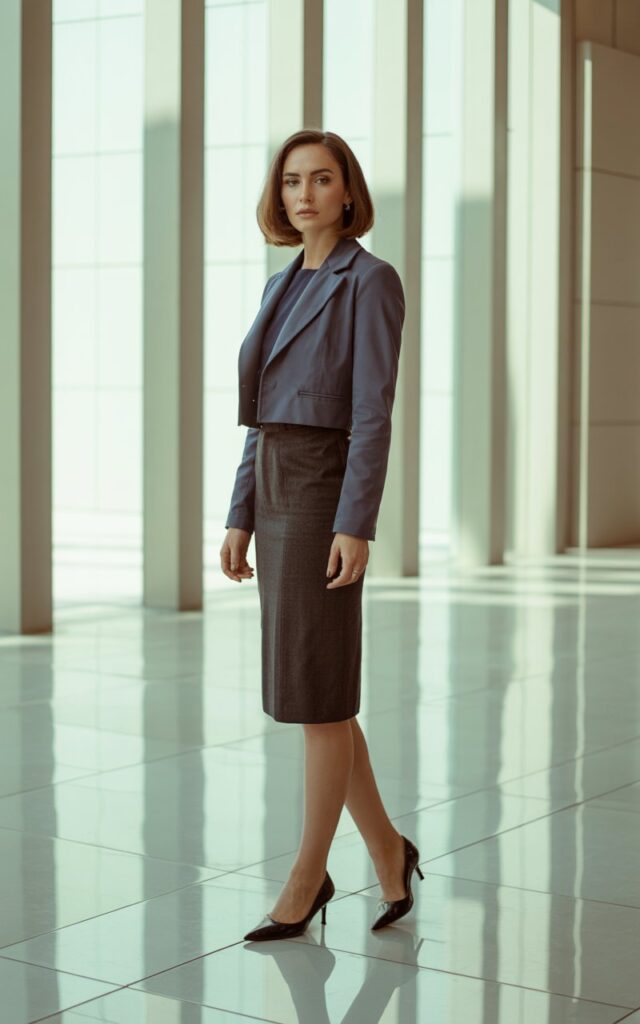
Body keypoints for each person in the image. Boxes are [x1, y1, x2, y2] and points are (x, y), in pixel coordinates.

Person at [219, 129, 423, 942]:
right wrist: (238, 512)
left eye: (322, 179)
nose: (304, 193)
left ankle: (308, 880)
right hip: (273, 489)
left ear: (348, 192)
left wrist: (355, 522)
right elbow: (260, 414)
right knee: (320, 692)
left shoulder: (370, 282)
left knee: (316, 693)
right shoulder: (280, 286)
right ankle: (387, 851)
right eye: (292, 180)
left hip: (321, 494)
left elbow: (373, 413)